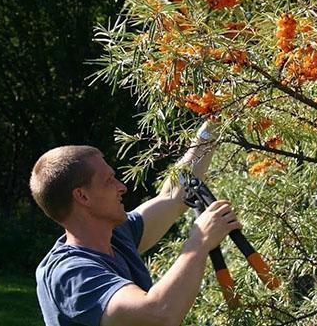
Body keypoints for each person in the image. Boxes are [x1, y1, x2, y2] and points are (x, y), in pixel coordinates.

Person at [30, 122, 241, 326]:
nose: (121, 187)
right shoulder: (70, 274)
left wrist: (210, 126)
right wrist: (199, 241)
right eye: (109, 180)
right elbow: (158, 315)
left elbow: (173, 195)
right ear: (82, 196)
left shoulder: (118, 235)